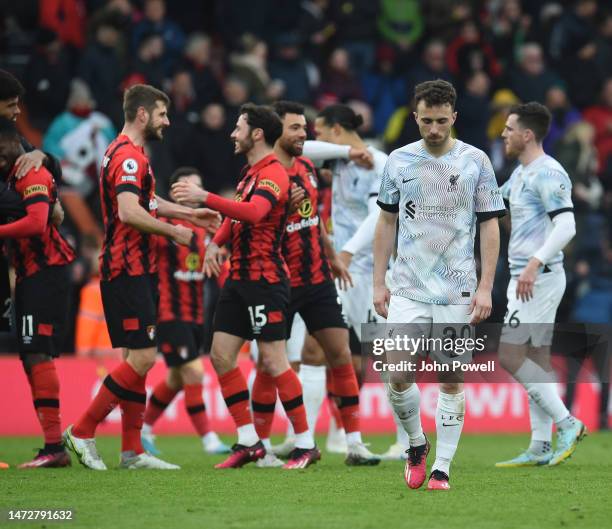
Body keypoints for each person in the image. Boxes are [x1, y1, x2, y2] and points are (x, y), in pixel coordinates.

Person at [63, 84, 220, 471]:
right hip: (126, 267)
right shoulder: (128, 158)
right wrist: (177, 233)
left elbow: (148, 202)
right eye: (163, 114)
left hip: (137, 268)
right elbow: (130, 212)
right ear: (143, 114)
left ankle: (132, 451)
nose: (168, 121)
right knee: (144, 356)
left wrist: (188, 215)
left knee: (138, 357)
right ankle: (82, 429)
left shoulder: (129, 156)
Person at [373, 79, 506, 490]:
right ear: (415, 117)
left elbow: (490, 226)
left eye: (441, 121)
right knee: (396, 374)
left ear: (454, 118)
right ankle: (416, 444)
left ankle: (442, 467)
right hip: (408, 287)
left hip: (456, 290)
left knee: (450, 378)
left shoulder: (476, 162)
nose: (433, 129)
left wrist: (485, 287)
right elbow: (386, 221)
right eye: (426, 121)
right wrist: (379, 281)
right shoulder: (397, 160)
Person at [172, 103, 318, 469]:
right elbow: (236, 216)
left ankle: (306, 443)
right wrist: (216, 243)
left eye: (238, 127)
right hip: (239, 279)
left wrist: (204, 198)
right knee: (221, 355)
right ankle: (249, 440)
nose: (232, 133)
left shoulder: (273, 173)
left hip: (265, 280)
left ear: (256, 134)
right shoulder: (249, 173)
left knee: (273, 360)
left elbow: (254, 213)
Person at [249, 100, 380, 466]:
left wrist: (334, 254)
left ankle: (352, 442)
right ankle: (261, 443)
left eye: (306, 129)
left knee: (338, 354)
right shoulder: (263, 174)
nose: (304, 135)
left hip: (319, 276)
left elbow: (313, 220)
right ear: (277, 132)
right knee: (271, 362)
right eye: (296, 128)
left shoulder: (307, 167)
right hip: (278, 279)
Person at [301, 105, 404, 458]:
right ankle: (305, 439)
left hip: (374, 271)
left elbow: (380, 214)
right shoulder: (341, 159)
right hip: (341, 274)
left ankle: (406, 443)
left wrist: (345, 251)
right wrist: (346, 151)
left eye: (319, 130)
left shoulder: (381, 162)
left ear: (337, 128)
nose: (313, 137)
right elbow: (298, 150)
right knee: (316, 349)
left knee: (392, 358)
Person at [496, 102, 585, 468]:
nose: (503, 134)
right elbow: (498, 207)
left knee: (511, 355)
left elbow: (567, 226)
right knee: (537, 360)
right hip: (525, 277)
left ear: (527, 134)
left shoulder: (549, 173)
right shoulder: (520, 174)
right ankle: (540, 444)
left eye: (509, 128)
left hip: (537, 280)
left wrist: (533, 262)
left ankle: (569, 423)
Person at [0, 117, 75, 469]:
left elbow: (37, 222)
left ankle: (54, 447)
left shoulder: (31, 172)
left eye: (2, 148)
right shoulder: (12, 175)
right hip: (30, 274)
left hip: (46, 272)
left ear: (15, 142)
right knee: (30, 355)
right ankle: (51, 446)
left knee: (37, 353)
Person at [140, 167, 230, 456]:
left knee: (176, 378)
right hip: (169, 313)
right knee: (193, 372)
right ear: (173, 192)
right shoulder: (161, 223)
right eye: (186, 187)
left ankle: (144, 428)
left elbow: (221, 267)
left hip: (196, 316)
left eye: (198, 186)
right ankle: (209, 440)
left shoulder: (207, 226)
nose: (193, 193)